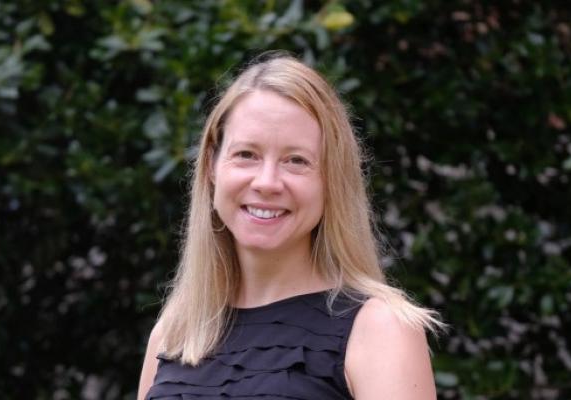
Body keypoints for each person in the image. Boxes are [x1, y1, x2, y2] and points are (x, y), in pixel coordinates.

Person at [137, 53, 444, 400]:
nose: (267, 182)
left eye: (296, 161)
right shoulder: (174, 333)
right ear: (211, 166)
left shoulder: (382, 331)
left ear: (332, 180)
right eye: (246, 154)